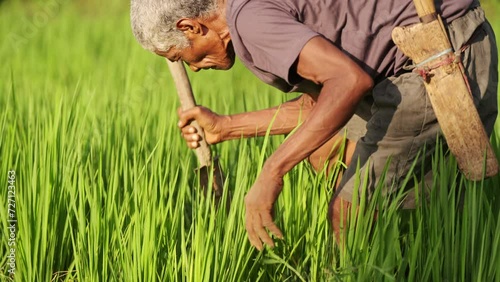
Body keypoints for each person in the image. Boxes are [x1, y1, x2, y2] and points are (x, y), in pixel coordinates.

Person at [130, 0, 498, 250]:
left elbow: (349, 83)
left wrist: (271, 173)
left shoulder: (250, 23)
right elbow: (323, 104)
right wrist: (224, 127)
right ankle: (405, 253)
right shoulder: (250, 11)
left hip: (437, 49)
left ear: (190, 26)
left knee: (347, 216)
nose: (193, 68)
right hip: (418, 52)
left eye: (181, 56)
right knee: (326, 154)